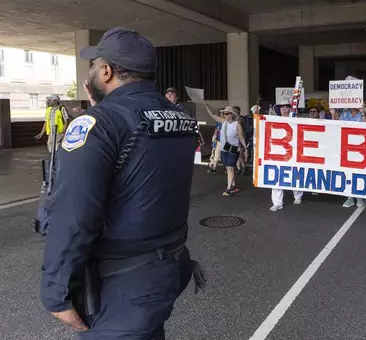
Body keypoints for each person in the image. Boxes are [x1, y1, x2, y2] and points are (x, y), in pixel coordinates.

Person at [40, 27, 205, 338]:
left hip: (123, 282)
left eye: (94, 65)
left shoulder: (99, 124)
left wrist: (54, 290)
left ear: (106, 71)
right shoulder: (179, 117)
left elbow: (74, 214)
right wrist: (104, 108)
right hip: (166, 265)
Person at [204, 104, 248, 196]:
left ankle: (229, 188)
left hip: (233, 150)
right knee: (228, 168)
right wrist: (206, 104)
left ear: (232, 114)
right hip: (224, 149)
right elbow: (212, 114)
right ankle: (234, 185)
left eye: (227, 113)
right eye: (224, 113)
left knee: (230, 168)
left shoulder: (237, 124)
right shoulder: (223, 121)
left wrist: (246, 148)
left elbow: (241, 137)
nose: (224, 115)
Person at [270, 104, 303, 211]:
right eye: (282, 107)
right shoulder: (273, 120)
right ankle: (277, 202)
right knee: (276, 176)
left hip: (293, 152)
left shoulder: (296, 119)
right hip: (278, 152)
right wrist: (255, 114)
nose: (284, 109)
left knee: (295, 174)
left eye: (286, 107)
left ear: (290, 108)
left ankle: (298, 195)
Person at [340, 105, 366, 209]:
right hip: (346, 147)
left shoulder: (362, 114)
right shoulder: (344, 114)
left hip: (360, 147)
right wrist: (334, 113)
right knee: (348, 173)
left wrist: (362, 113)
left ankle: (359, 197)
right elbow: (336, 126)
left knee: (358, 173)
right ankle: (350, 197)